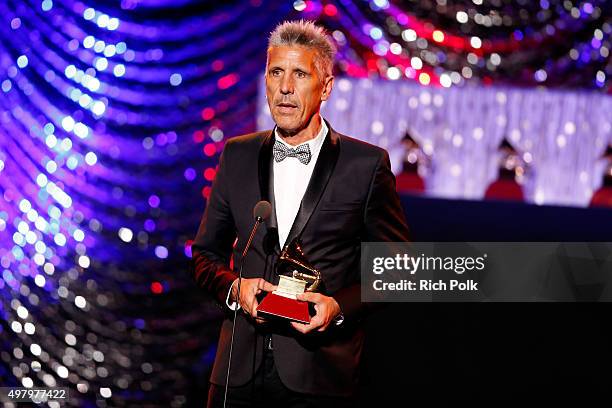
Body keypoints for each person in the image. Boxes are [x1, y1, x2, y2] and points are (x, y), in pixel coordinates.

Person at [191, 20, 409, 407]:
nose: (285, 87)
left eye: (299, 74)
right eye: (276, 72)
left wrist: (339, 306)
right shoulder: (237, 154)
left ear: (325, 86)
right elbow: (205, 255)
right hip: (237, 375)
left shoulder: (366, 164)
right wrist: (235, 289)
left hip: (320, 377)